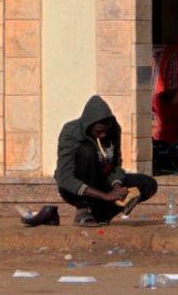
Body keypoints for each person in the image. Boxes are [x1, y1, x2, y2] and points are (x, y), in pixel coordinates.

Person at [53, 95, 158, 225]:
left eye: (106, 131)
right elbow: (64, 177)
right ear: (89, 126)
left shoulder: (113, 129)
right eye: (99, 131)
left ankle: (100, 215)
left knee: (148, 184)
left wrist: (117, 187)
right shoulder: (71, 132)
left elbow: (116, 165)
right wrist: (106, 196)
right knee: (87, 151)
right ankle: (83, 209)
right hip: (77, 186)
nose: (103, 135)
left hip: (102, 180)